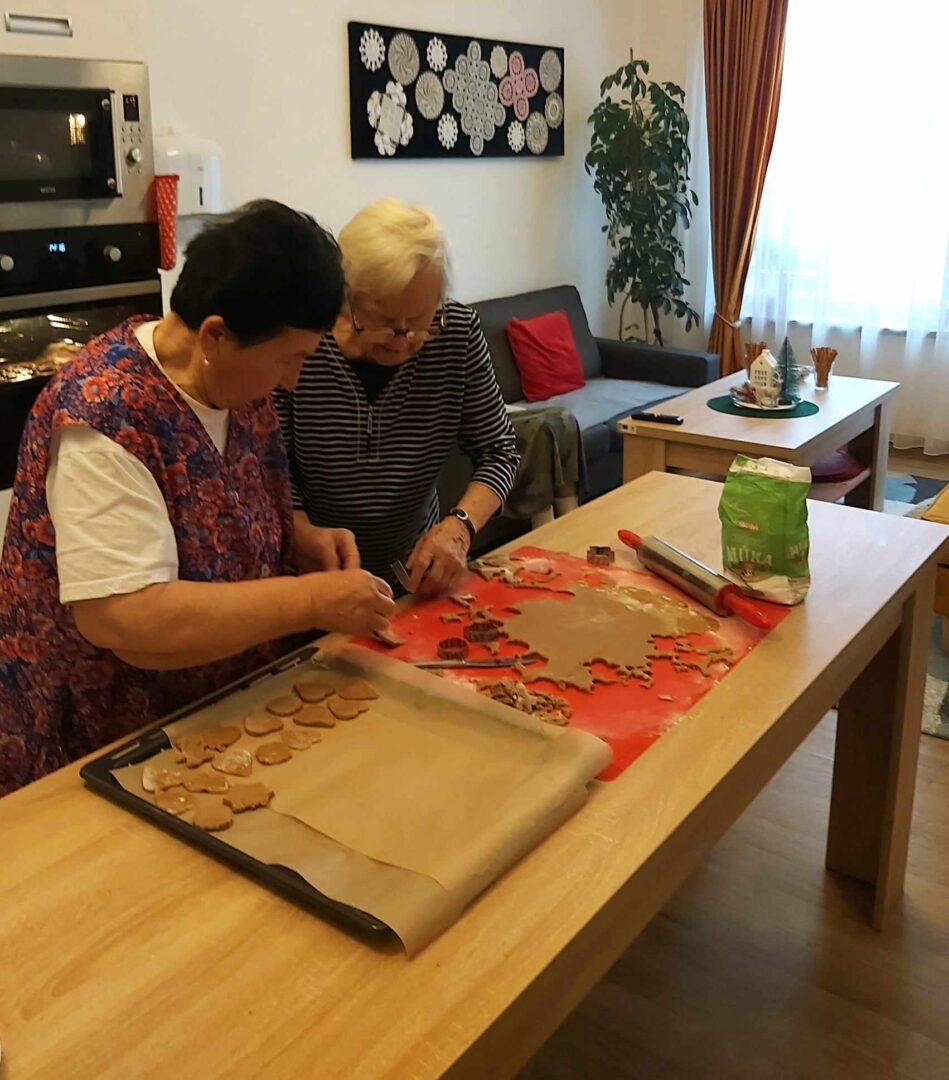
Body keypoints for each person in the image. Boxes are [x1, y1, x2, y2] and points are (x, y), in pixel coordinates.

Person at [0, 200, 394, 795]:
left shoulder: (234, 381)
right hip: (108, 745)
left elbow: (216, 499)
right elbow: (127, 617)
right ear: (215, 334)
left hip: (222, 713)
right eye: (289, 359)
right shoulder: (102, 419)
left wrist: (298, 537)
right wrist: (314, 599)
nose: (292, 380)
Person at [274, 198, 519, 596]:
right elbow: (272, 467)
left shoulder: (457, 333)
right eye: (385, 321)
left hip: (416, 575)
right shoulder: (302, 340)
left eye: (421, 321)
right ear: (348, 297)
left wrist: (459, 527)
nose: (403, 340)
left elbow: (499, 452)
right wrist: (303, 532)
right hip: (313, 577)